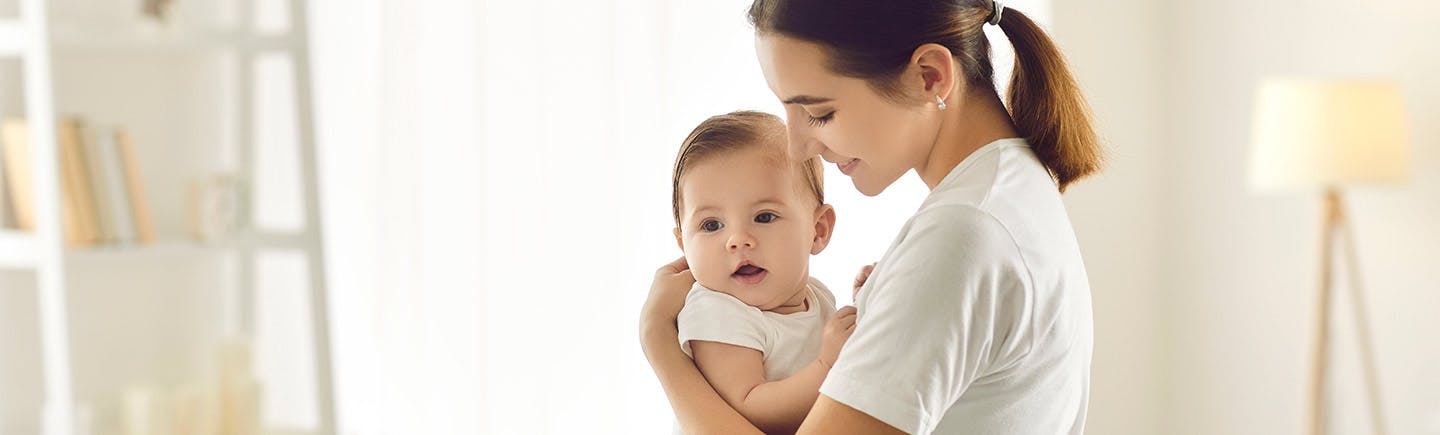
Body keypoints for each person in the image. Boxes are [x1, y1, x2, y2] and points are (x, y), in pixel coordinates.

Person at [641, 0, 1103, 433]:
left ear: (928, 76)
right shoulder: (1011, 186)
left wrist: (660, 346)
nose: (799, 146)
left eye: (820, 113)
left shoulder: (964, 233)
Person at [667, 110, 857, 434]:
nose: (738, 240)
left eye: (764, 217)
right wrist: (828, 366)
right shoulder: (717, 310)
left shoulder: (818, 295)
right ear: (684, 245)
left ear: (818, 230)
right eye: (712, 225)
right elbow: (751, 408)